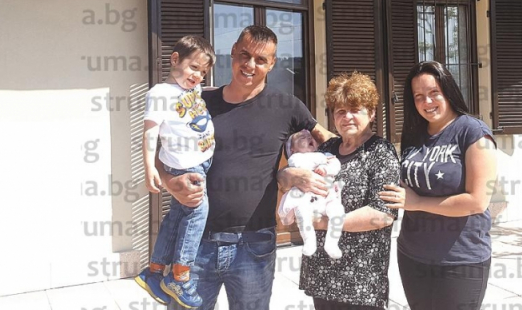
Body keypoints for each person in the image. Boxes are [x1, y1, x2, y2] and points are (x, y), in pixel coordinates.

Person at [158, 25, 333, 310]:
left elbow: (332, 143)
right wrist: (169, 181)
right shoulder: (199, 102)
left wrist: (291, 173)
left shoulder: (286, 106)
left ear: (272, 64)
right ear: (233, 52)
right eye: (244, 55)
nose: (250, 65)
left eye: (261, 60)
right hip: (195, 242)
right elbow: (162, 151)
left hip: (254, 243)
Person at [379, 61, 497, 310]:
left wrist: (418, 203)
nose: (427, 102)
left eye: (434, 92)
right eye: (419, 96)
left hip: (460, 260)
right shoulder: (414, 134)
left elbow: (477, 201)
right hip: (412, 255)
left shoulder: (473, 132)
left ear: (448, 91)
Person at [296, 72, 400, 310]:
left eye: (355, 109)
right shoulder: (327, 148)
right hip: (321, 269)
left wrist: (320, 222)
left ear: (371, 113)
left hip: (360, 276)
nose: (347, 117)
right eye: (340, 111)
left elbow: (382, 214)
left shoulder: (381, 152)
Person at [135, 35, 216, 309]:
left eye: (203, 72)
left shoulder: (191, 89)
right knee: (197, 212)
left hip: (200, 162)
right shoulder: (160, 93)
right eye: (194, 67)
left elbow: (202, 96)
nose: (198, 76)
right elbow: (150, 133)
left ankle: (154, 271)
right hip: (185, 165)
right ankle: (180, 277)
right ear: (175, 59)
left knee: (176, 217)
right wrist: (149, 167)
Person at [278, 129, 345, 259]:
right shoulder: (295, 158)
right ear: (292, 149)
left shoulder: (325, 155)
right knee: (303, 214)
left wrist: (326, 168)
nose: (309, 138)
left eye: (310, 137)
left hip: (327, 197)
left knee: (338, 212)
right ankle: (309, 241)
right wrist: (322, 160)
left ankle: (332, 243)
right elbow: (300, 165)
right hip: (306, 198)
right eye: (302, 138)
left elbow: (336, 165)